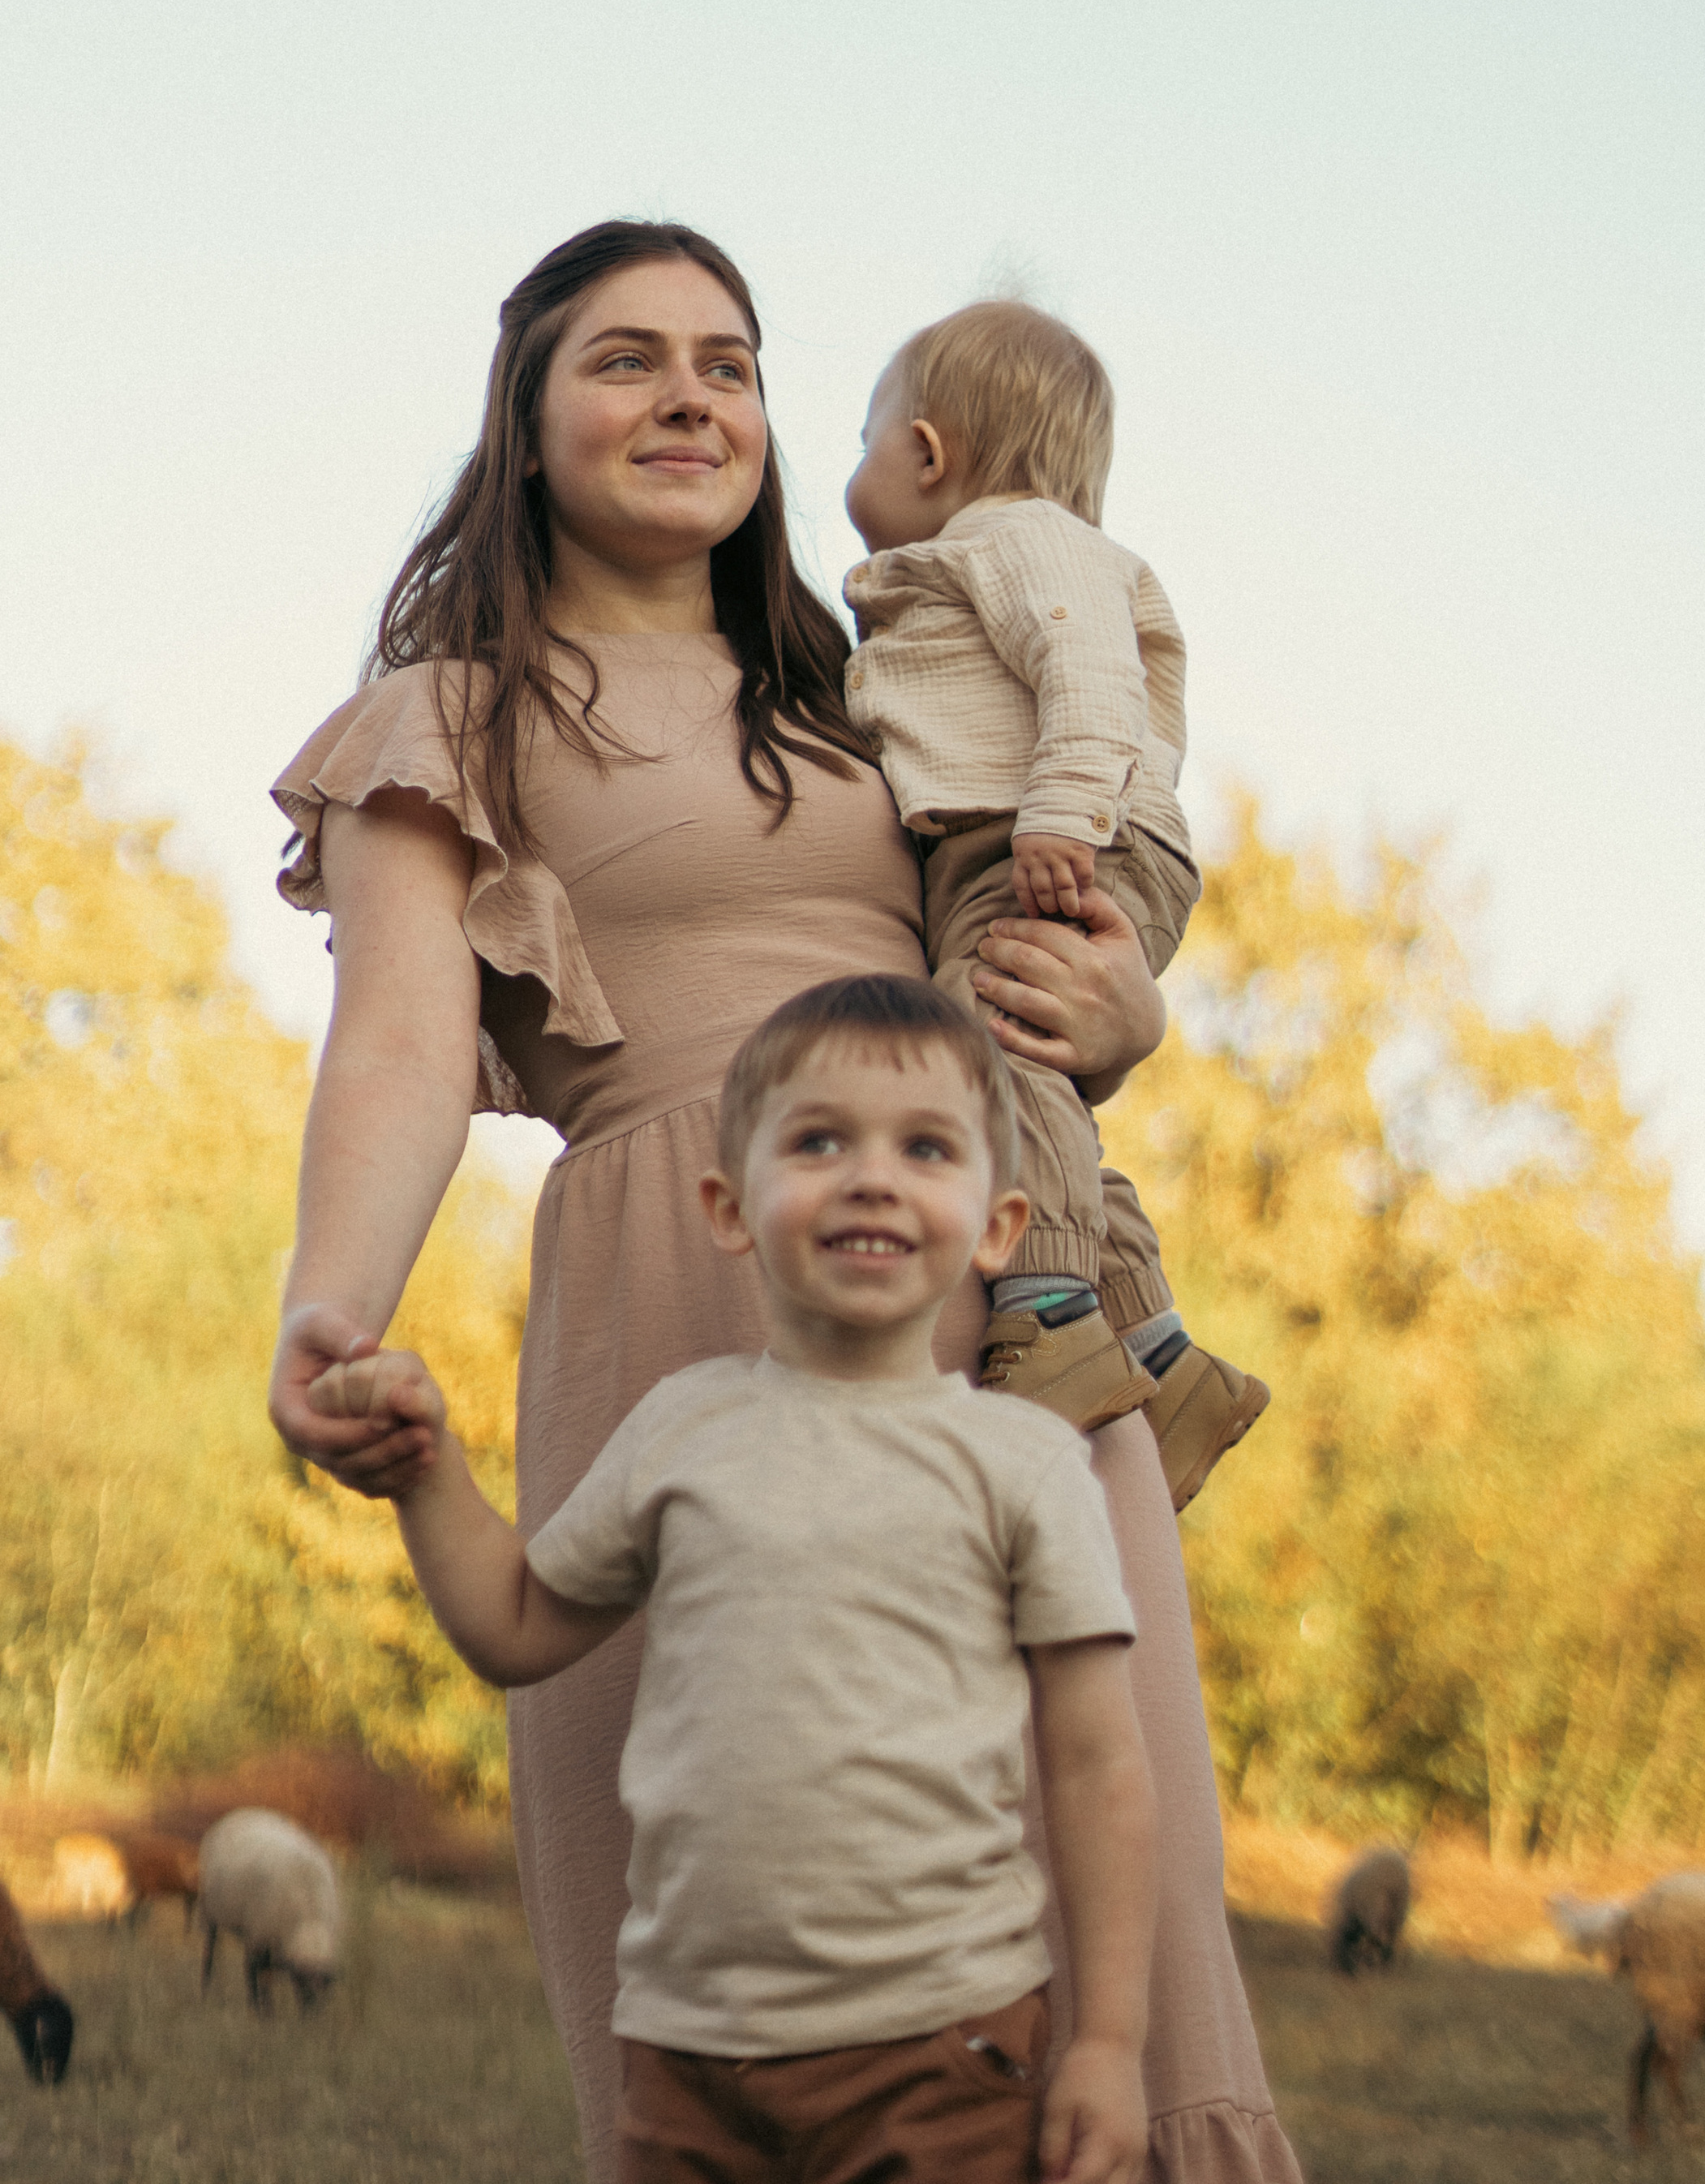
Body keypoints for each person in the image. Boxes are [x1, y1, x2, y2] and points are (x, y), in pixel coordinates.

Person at [268, 217, 1302, 2184]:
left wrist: (1123, 1012)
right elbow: (396, 1047)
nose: (689, 398)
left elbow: (1043, 914)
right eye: (628, 359)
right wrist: (331, 1308)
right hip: (681, 1278)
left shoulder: (868, 686)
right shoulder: (452, 715)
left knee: (1101, 1853)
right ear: (527, 415)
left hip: (984, 1310)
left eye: (728, 366)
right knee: (727, 1875)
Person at [308, 974, 1157, 2184]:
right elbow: (515, 1623)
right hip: (690, 2054)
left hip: (940, 2044)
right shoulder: (683, 1429)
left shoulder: (1023, 1464)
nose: (871, 1178)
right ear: (729, 1206)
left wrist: (1110, 2044)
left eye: (925, 1149)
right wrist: (425, 1473)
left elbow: (1097, 1766)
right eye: (819, 1142)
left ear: (997, 1227)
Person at [842, 302, 1269, 1503]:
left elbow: (1087, 669)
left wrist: (1060, 813)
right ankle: (1162, 1356)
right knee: (1023, 1085)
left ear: (928, 451)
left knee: (982, 1056)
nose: (856, 466)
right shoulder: (986, 554)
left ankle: (1047, 1308)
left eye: (865, 439)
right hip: (1031, 836)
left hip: (1054, 837)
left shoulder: (1021, 538)